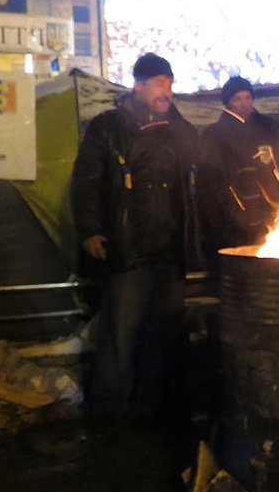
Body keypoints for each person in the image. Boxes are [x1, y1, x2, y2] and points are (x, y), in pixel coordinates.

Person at [70, 52, 225, 419]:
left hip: (169, 249)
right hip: (129, 248)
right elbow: (87, 181)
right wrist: (90, 229)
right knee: (120, 334)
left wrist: (176, 118)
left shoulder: (174, 127)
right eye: (159, 84)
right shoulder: (108, 126)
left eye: (169, 84)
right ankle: (110, 410)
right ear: (138, 86)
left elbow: (200, 155)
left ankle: (151, 407)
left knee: (164, 333)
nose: (166, 91)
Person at [202, 76, 279, 245]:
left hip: (268, 214)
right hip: (236, 219)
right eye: (237, 99)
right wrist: (233, 219)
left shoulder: (265, 129)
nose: (244, 104)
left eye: (247, 97)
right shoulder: (215, 136)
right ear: (227, 103)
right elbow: (214, 183)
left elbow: (274, 167)